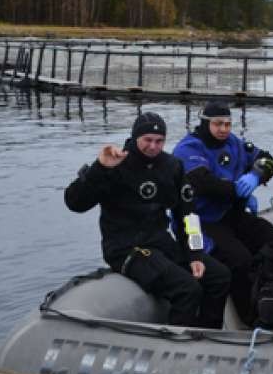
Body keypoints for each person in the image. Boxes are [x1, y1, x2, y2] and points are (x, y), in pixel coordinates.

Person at [64, 112, 230, 329]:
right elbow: (75, 203)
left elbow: (187, 214)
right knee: (188, 289)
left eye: (159, 141)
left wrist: (195, 254)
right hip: (126, 249)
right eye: (147, 140)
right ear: (135, 138)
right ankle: (177, 345)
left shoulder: (172, 167)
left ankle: (210, 334)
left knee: (220, 277)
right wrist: (100, 167)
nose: (153, 147)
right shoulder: (116, 164)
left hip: (161, 244)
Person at [173, 101, 273, 323]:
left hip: (230, 214)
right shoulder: (189, 149)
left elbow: (268, 160)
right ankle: (249, 317)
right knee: (240, 259)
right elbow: (204, 183)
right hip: (201, 221)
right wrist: (238, 191)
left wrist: (256, 174)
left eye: (228, 124)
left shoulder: (235, 143)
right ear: (206, 123)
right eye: (218, 124)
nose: (224, 129)